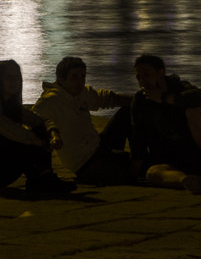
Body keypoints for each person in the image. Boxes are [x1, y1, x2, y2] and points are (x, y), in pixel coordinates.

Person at [129, 54, 201, 193]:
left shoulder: (179, 87)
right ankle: (188, 181)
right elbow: (137, 139)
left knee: (196, 112)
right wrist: (134, 172)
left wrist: (164, 98)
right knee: (153, 172)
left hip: (200, 152)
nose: (143, 81)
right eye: (139, 77)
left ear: (161, 73)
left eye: (147, 75)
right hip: (175, 159)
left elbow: (200, 97)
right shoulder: (140, 101)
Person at [32, 56, 134, 185]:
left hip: (98, 147)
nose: (80, 81)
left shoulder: (81, 93)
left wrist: (141, 99)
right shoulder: (50, 101)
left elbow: (107, 98)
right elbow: (32, 120)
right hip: (85, 163)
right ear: (61, 78)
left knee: (128, 110)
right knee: (134, 169)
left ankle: (138, 154)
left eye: (83, 76)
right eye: (74, 76)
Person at [0, 60, 76, 195]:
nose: (14, 81)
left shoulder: (13, 106)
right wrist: (36, 141)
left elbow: (40, 121)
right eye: (8, 77)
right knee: (24, 142)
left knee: (40, 129)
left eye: (16, 77)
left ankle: (43, 178)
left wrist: (53, 133)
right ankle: (42, 180)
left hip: (8, 167)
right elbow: (7, 128)